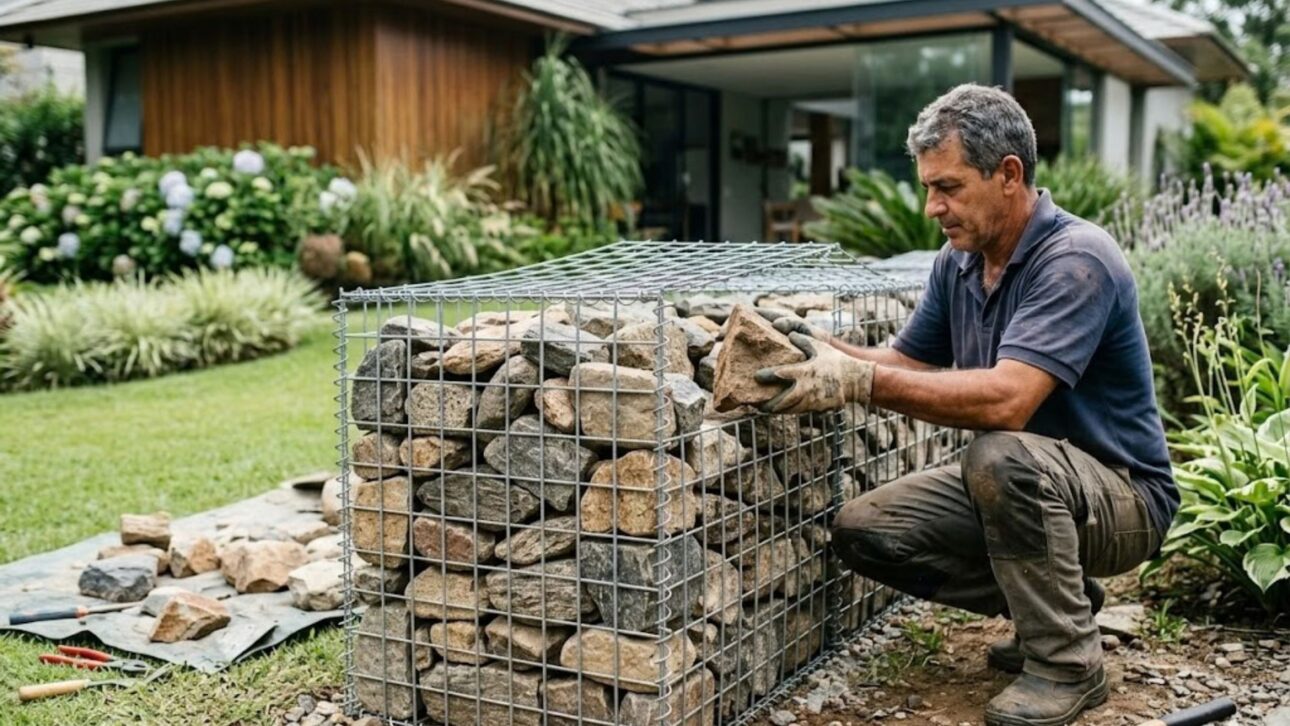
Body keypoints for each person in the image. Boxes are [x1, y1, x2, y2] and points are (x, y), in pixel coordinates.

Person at [754, 84, 1177, 726]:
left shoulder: (1076, 259)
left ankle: (1067, 666)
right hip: (1027, 485)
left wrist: (856, 384)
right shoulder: (958, 263)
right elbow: (904, 363)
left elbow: (1008, 400)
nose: (932, 207)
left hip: (1122, 495)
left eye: (947, 187)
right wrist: (814, 349)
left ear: (1008, 174)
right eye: (928, 187)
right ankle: (1061, 605)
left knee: (1000, 455)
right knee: (867, 531)